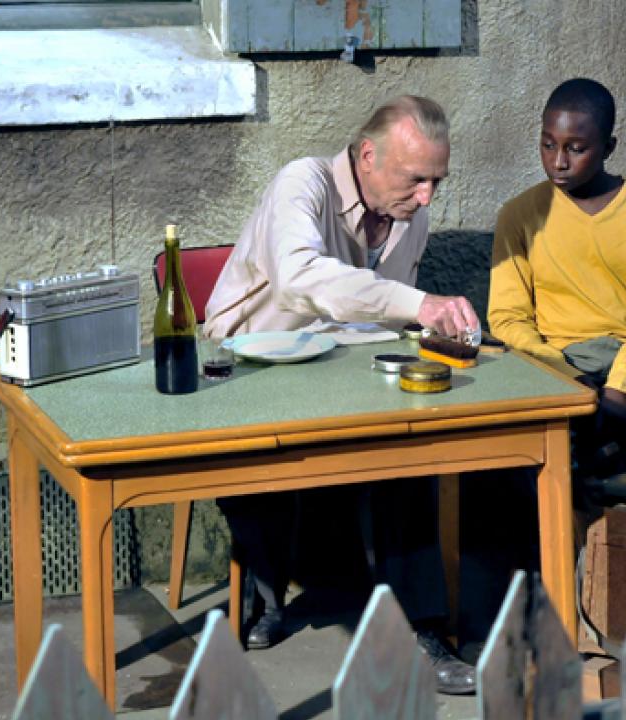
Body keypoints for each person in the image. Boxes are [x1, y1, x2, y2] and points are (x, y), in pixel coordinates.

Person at [204, 95, 477, 695]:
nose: (428, 196)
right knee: (262, 461)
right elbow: (302, 277)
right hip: (249, 364)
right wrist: (417, 305)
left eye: (437, 180)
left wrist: (429, 327)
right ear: (369, 155)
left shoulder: (413, 214)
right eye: (416, 179)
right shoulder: (302, 182)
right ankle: (267, 587)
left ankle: (424, 629)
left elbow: (378, 312)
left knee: (413, 449)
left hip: (338, 365)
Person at [487, 78, 626, 476]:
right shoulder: (520, 215)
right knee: (543, 459)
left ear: (608, 148)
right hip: (553, 359)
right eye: (548, 144)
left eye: (576, 148)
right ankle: (581, 536)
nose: (558, 161)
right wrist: (567, 376)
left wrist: (620, 387)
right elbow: (506, 317)